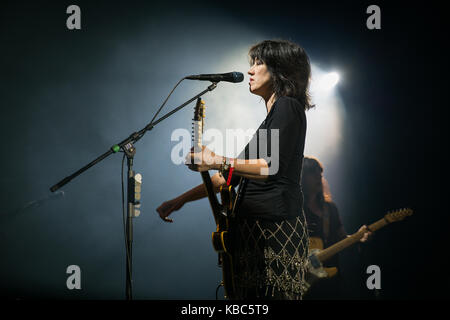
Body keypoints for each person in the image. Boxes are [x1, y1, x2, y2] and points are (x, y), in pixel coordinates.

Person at [156, 39, 313, 300]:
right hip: (253, 232)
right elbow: (226, 177)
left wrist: (216, 158)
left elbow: (269, 168)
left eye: (258, 63)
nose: (250, 70)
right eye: (251, 64)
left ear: (280, 69)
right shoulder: (271, 119)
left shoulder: (288, 106)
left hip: (274, 231)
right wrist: (180, 200)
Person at [301, 156, 371, 299]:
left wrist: (358, 237)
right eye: (313, 172)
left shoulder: (330, 209)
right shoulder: (294, 209)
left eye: (319, 173)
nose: (318, 176)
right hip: (301, 279)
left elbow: (342, 238)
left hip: (329, 280)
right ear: (302, 177)